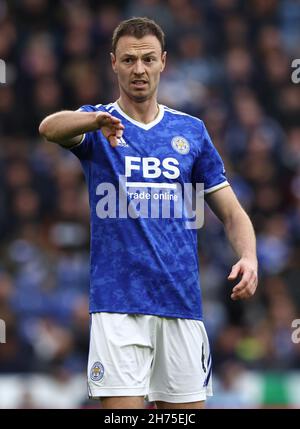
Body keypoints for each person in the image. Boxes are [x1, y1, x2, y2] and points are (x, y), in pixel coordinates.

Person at [39, 17, 258, 409]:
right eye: (128, 60)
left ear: (163, 62)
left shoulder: (190, 131)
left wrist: (249, 256)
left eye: (147, 59)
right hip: (118, 305)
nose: (138, 69)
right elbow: (49, 127)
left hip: (181, 304)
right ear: (113, 63)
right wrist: (95, 120)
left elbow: (232, 212)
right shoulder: (98, 123)